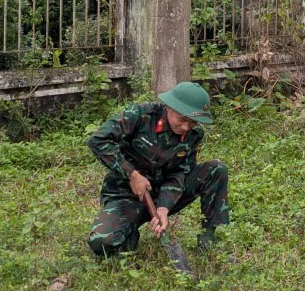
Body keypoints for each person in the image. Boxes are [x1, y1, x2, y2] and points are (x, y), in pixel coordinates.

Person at [86, 82, 230, 258]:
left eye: (192, 122)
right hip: (126, 196)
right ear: (169, 107)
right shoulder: (140, 115)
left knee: (216, 169)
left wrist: (163, 207)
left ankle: (208, 240)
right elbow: (98, 140)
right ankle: (129, 232)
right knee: (101, 243)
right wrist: (132, 175)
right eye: (182, 119)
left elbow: (180, 173)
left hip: (161, 194)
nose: (186, 127)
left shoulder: (194, 135)